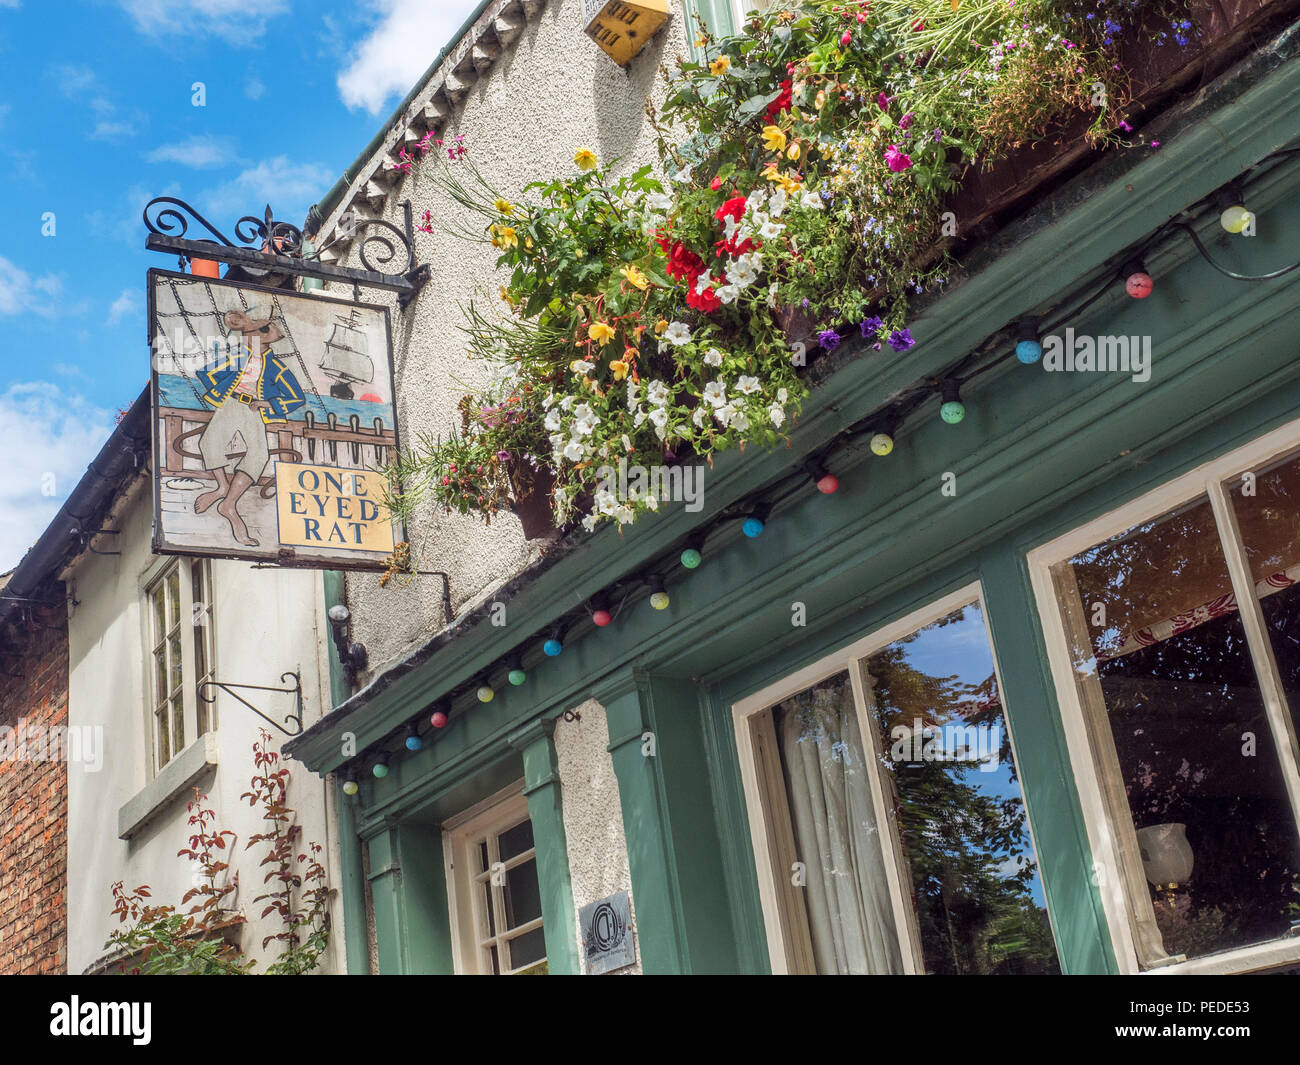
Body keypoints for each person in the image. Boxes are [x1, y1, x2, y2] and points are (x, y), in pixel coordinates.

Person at [194, 307, 304, 546]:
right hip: (231, 404)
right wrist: (222, 391)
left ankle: (229, 504)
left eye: (259, 331)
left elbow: (297, 398)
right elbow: (206, 373)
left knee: (259, 455)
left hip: (253, 410)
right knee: (209, 442)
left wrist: (267, 403)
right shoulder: (236, 358)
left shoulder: (276, 367)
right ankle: (221, 487)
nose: (249, 336)